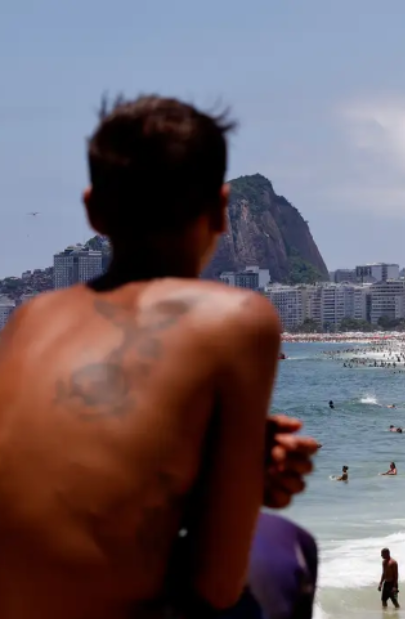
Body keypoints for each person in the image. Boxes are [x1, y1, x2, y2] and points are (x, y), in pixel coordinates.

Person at [0, 95, 319, 619]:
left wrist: (217, 466)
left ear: (92, 209)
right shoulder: (238, 317)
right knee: (285, 549)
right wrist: (242, 482)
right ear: (220, 209)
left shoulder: (27, 319)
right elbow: (218, 586)